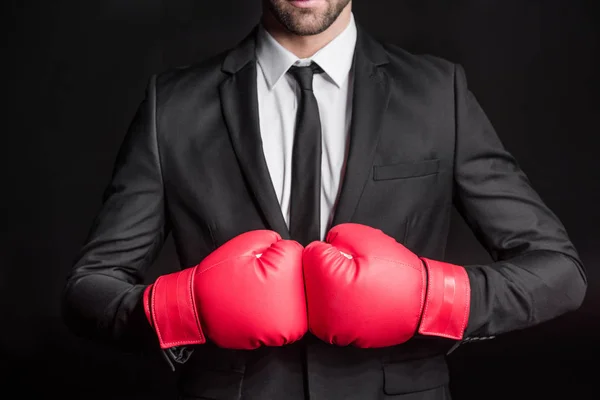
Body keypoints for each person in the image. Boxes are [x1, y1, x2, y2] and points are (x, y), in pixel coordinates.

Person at [61, 1, 587, 399]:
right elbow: (89, 289)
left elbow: (559, 272)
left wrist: (435, 298)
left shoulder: (437, 93)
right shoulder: (172, 106)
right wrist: (188, 309)